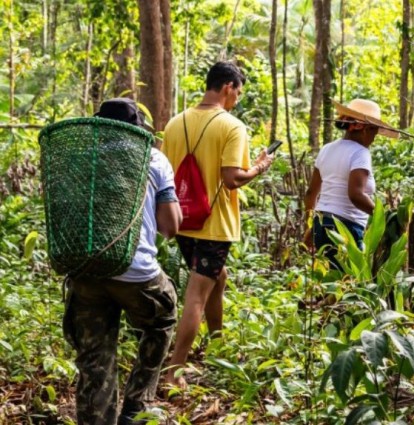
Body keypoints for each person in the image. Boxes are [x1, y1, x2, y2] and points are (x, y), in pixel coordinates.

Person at [63, 98, 182, 425]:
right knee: (163, 317)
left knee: (95, 360)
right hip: (137, 275)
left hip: (86, 272)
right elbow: (171, 226)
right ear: (137, 130)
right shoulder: (154, 158)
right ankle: (136, 405)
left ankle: (97, 420)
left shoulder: (81, 158)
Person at [161, 61, 273, 388]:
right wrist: (259, 167)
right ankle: (173, 373)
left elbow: (167, 175)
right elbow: (232, 178)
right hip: (213, 224)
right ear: (227, 88)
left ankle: (217, 345)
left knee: (217, 278)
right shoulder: (231, 126)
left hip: (184, 222)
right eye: (237, 92)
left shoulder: (175, 123)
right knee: (196, 294)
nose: (237, 99)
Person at [303, 99, 398, 269]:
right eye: (374, 133)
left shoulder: (326, 149)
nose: (373, 139)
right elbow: (356, 194)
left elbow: (311, 193)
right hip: (346, 227)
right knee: (349, 284)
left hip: (321, 224)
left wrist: (311, 225)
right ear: (364, 129)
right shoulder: (360, 153)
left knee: (331, 283)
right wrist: (385, 217)